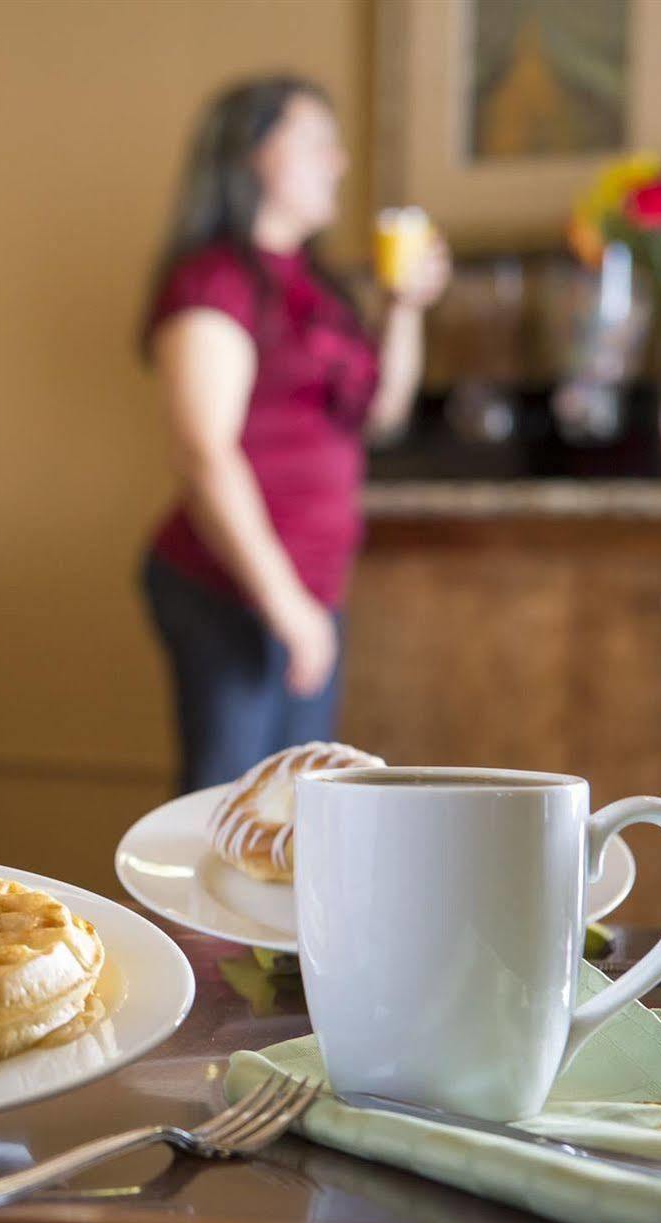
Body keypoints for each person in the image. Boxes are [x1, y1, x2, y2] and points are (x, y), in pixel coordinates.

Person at [140, 74, 448, 792]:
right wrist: (285, 607)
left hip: (310, 585)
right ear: (250, 154)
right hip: (231, 585)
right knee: (225, 811)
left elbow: (382, 414)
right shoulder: (212, 282)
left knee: (299, 812)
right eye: (314, 140)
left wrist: (402, 309)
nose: (335, 162)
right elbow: (202, 452)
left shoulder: (318, 287)